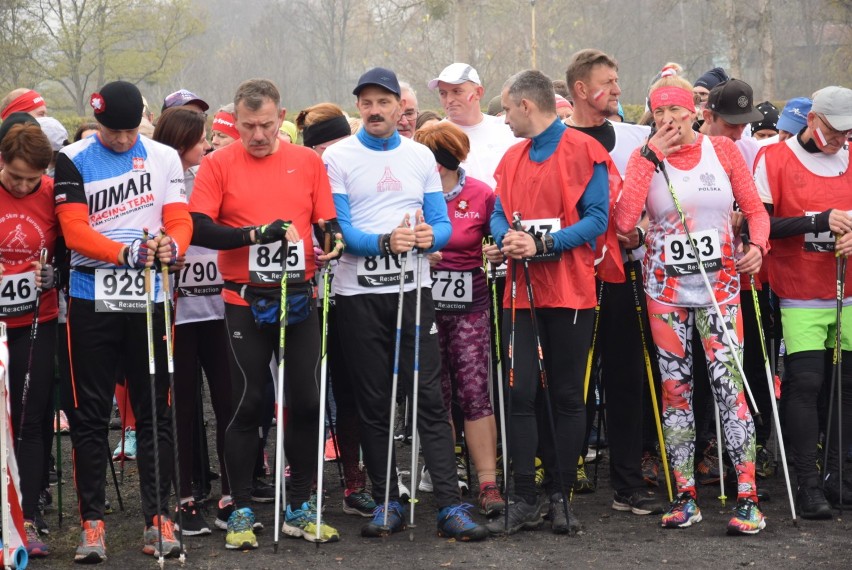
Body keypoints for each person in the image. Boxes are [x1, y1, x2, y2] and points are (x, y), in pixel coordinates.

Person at [322, 66, 487, 541]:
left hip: (413, 292)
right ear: (359, 107)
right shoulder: (339, 157)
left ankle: (450, 506)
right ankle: (387, 501)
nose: (375, 110)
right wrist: (383, 242)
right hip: (359, 296)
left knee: (429, 401)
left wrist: (424, 236)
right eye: (367, 103)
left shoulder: (420, 157)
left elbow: (443, 225)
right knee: (375, 403)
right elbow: (341, 228)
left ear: (400, 107)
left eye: (384, 102)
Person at [189, 78, 342, 548]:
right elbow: (198, 227)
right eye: (248, 126)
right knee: (248, 402)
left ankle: (299, 504)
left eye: (267, 125)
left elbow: (324, 219)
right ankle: (238, 510)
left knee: (308, 400)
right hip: (243, 299)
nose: (257, 135)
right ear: (234, 122)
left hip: (299, 296)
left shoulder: (308, 161)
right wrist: (253, 235)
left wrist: (331, 240)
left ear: (282, 118)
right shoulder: (217, 164)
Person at [615, 72, 770, 535]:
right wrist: (650, 158)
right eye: (658, 112)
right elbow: (625, 223)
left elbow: (756, 210)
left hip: (720, 287)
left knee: (730, 387)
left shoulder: (721, 150)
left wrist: (758, 245)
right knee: (674, 391)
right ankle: (685, 496)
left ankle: (748, 498)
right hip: (665, 292)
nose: (667, 120)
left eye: (675, 111)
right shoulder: (645, 158)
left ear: (694, 113)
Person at [54, 80, 191, 562]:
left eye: (130, 130)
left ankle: (159, 515)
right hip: (92, 297)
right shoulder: (73, 157)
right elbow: (73, 230)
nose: (122, 139)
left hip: (149, 299)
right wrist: (123, 251)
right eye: (113, 131)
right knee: (89, 415)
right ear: (98, 123)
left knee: (156, 410)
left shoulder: (163, 157)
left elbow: (178, 217)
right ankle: (92, 523)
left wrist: (172, 246)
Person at [488, 69, 612, 536]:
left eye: (505, 108)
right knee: (520, 394)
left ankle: (560, 496)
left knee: (565, 395)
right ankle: (522, 495)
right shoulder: (511, 156)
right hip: (519, 292)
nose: (503, 119)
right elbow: (499, 212)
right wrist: (508, 239)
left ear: (526, 105)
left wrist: (543, 245)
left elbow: (598, 218)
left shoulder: (585, 150)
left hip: (570, 291)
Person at [563, 48, 666, 515]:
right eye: (609, 81)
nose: (619, 90)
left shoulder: (634, 136)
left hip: (624, 272)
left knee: (626, 377)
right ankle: (565, 475)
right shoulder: (557, 140)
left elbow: (657, 204)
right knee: (570, 383)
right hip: (571, 277)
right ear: (582, 89)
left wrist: (639, 232)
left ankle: (628, 481)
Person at [754, 85, 852, 519]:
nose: (839, 143)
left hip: (847, 290)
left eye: (847, 136)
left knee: (845, 387)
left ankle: (838, 476)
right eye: (834, 133)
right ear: (813, 119)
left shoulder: (851, 156)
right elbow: (762, 226)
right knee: (807, 383)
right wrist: (819, 220)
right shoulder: (774, 159)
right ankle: (807, 483)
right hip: (798, 292)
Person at [413, 121, 504, 516]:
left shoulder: (480, 194)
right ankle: (446, 478)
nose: (432, 172)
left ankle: (488, 483)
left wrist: (498, 249)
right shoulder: (412, 194)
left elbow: (497, 233)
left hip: (469, 304)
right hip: (424, 301)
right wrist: (420, 253)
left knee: (473, 390)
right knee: (436, 393)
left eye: (438, 165)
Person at [152, 107, 232, 537]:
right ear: (183, 140)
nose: (207, 146)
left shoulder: (211, 173)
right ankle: (184, 499)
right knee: (181, 407)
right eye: (200, 139)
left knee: (228, 402)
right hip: (177, 310)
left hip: (218, 306)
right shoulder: (160, 178)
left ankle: (230, 495)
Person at [295, 101, 377, 517]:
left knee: (349, 390)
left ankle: (353, 479)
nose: (337, 154)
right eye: (328, 147)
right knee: (306, 392)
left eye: (343, 143)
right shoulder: (302, 173)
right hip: (307, 295)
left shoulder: (357, 169)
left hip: (350, 293)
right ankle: (303, 484)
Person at [0, 121, 60, 558]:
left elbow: (70, 251)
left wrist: (52, 273)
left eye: (31, 179)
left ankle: (28, 517)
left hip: (37, 320)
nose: (22, 186)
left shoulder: (54, 195)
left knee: (30, 420)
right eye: (14, 176)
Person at [428, 62, 519, 190]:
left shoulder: (506, 128)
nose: (449, 100)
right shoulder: (432, 138)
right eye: (443, 93)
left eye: (457, 91)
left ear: (478, 92)